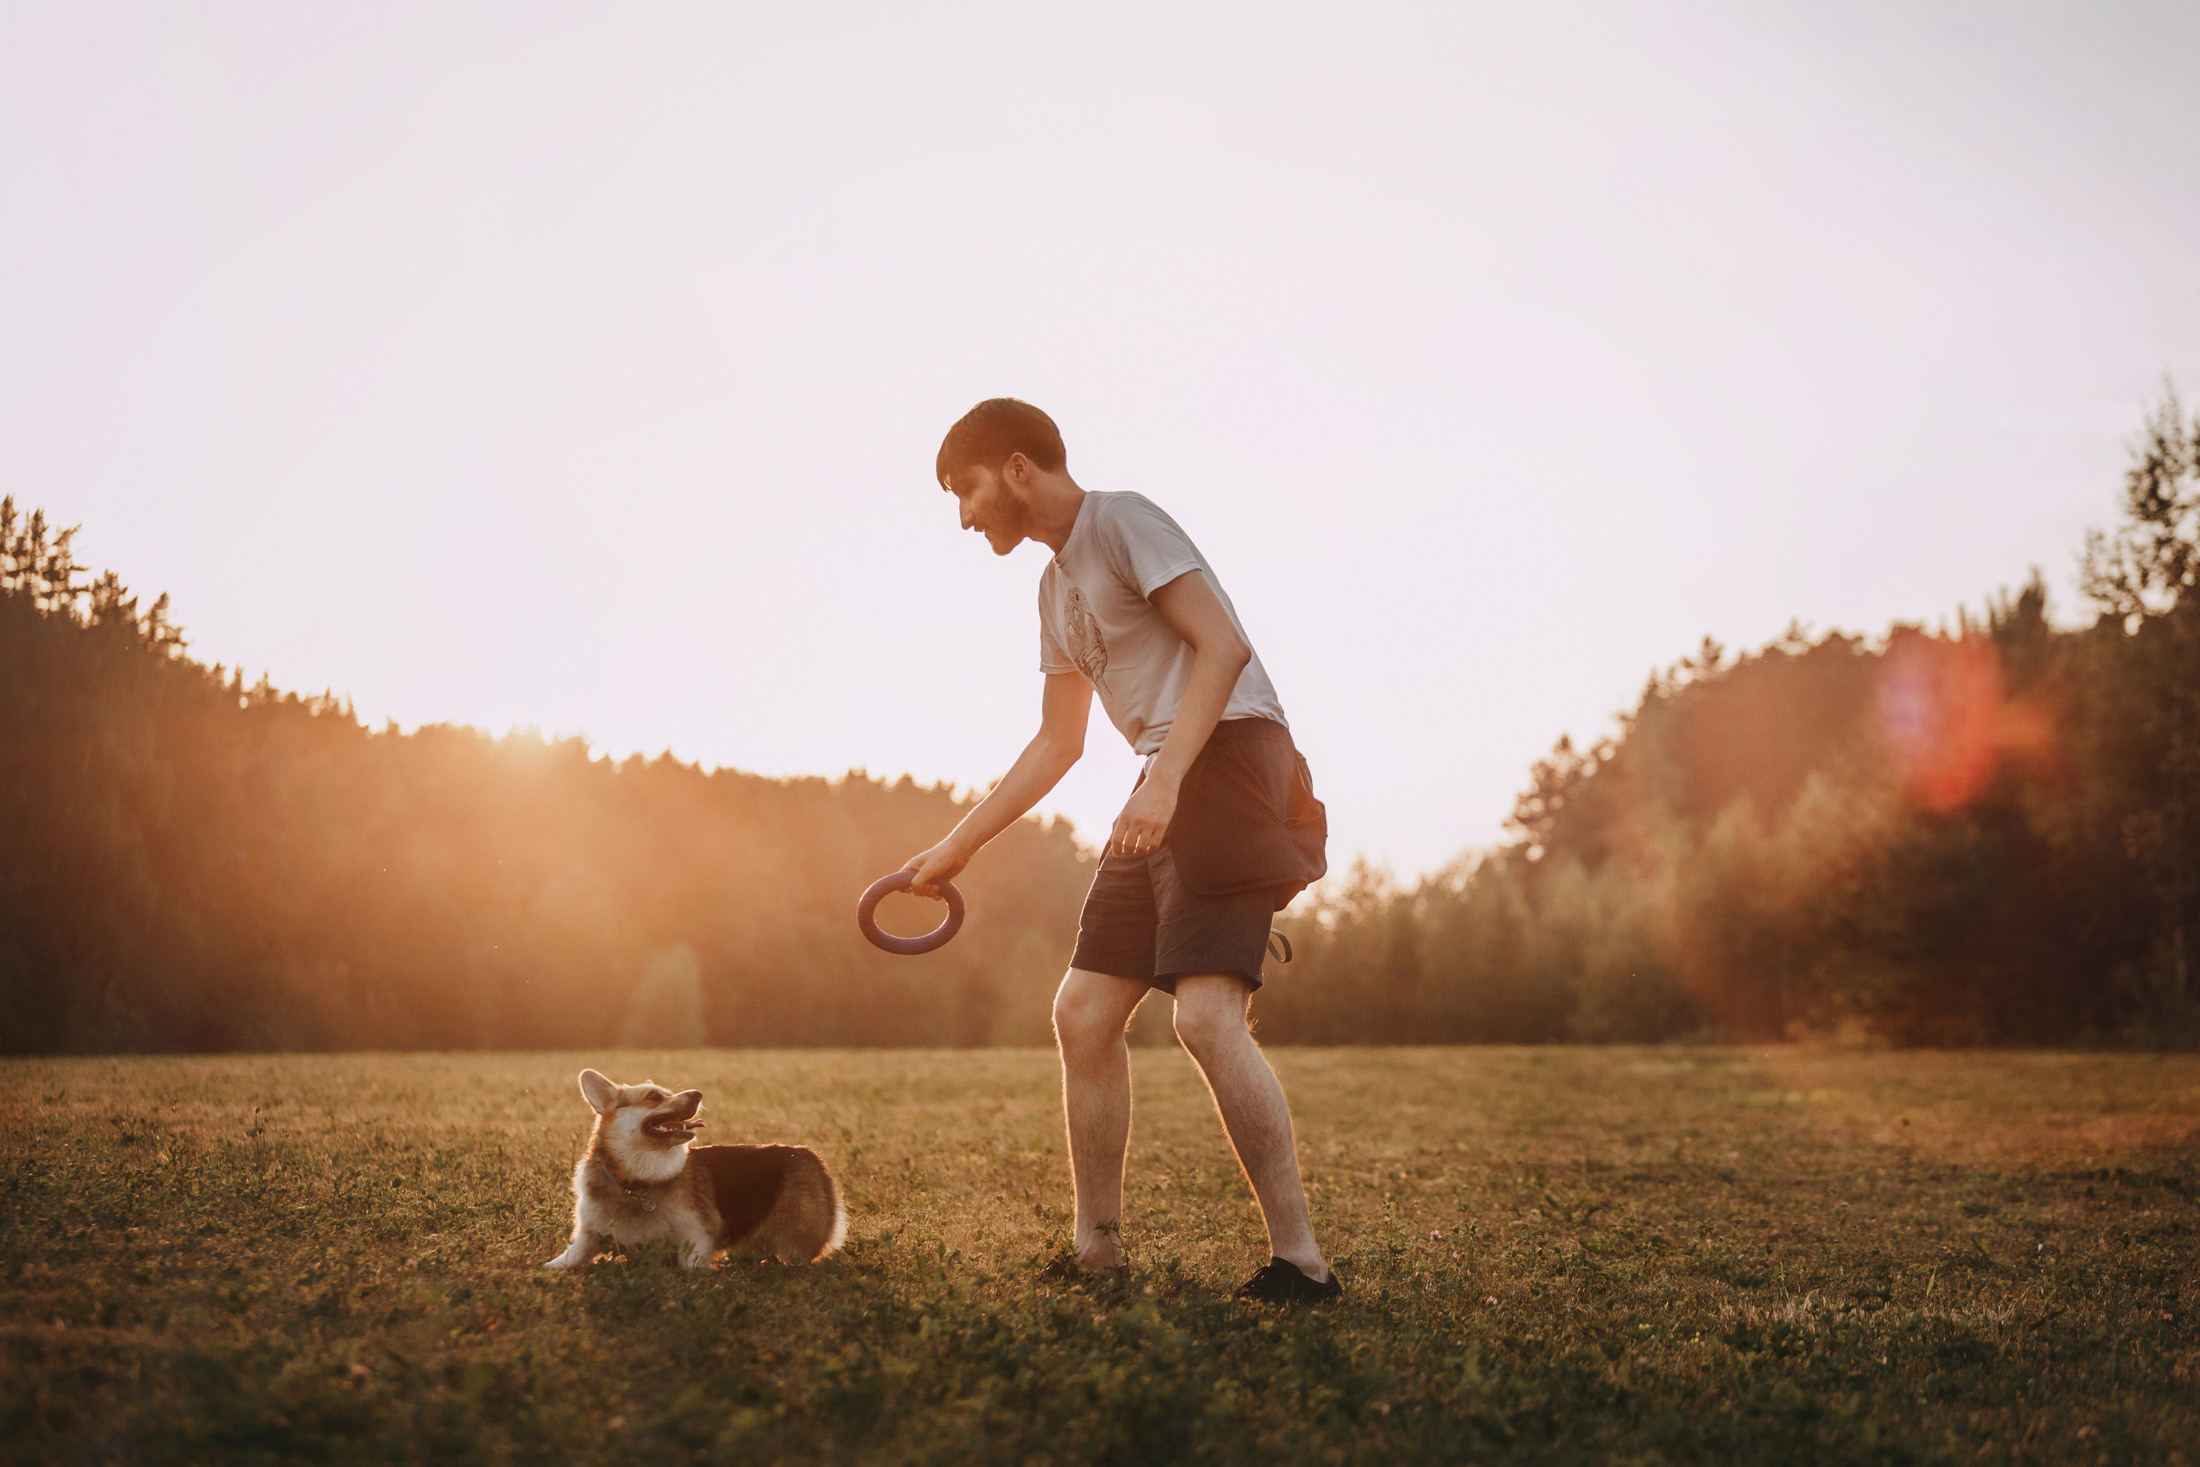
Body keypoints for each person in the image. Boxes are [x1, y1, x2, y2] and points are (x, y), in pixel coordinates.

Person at [901, 398, 1339, 1304]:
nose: (964, 515)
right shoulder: (1053, 588)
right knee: (1085, 1011)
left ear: (1019, 468)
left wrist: (1170, 781)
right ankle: (1096, 1250)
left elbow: (1223, 646)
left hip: (1228, 756)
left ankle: (1301, 1263)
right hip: (1167, 776)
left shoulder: (1122, 520)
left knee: (1205, 1019)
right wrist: (958, 844)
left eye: (968, 489)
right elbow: (1058, 743)